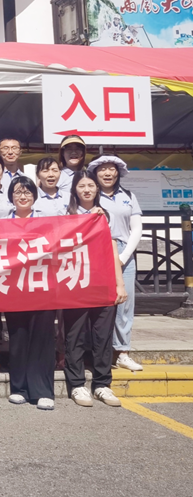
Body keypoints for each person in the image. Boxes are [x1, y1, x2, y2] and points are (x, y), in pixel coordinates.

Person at [63, 170, 126, 407]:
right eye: (81, 186)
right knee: (75, 335)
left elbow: (113, 249)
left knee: (102, 335)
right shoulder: (67, 215)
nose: (87, 190)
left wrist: (119, 284)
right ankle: (76, 384)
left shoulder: (105, 215)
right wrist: (86, 219)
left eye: (91, 185)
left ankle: (102, 384)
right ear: (74, 190)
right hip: (75, 282)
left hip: (102, 282)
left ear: (97, 188)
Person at [4, 176, 56, 410]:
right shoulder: (2, 224)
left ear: (35, 196)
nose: (22, 196)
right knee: (18, 338)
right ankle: (19, 388)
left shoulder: (47, 222)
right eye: (17, 192)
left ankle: (42, 391)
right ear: (11, 197)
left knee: (42, 338)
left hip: (42, 286)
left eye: (27, 192)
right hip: (14, 288)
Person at [89, 154, 144, 373]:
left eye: (111, 168)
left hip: (124, 252)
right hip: (97, 251)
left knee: (124, 303)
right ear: (95, 173)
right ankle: (98, 351)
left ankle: (122, 352)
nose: (107, 173)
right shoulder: (91, 195)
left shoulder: (128, 196)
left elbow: (137, 228)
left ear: (118, 172)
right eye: (102, 169)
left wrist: (123, 257)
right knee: (98, 303)